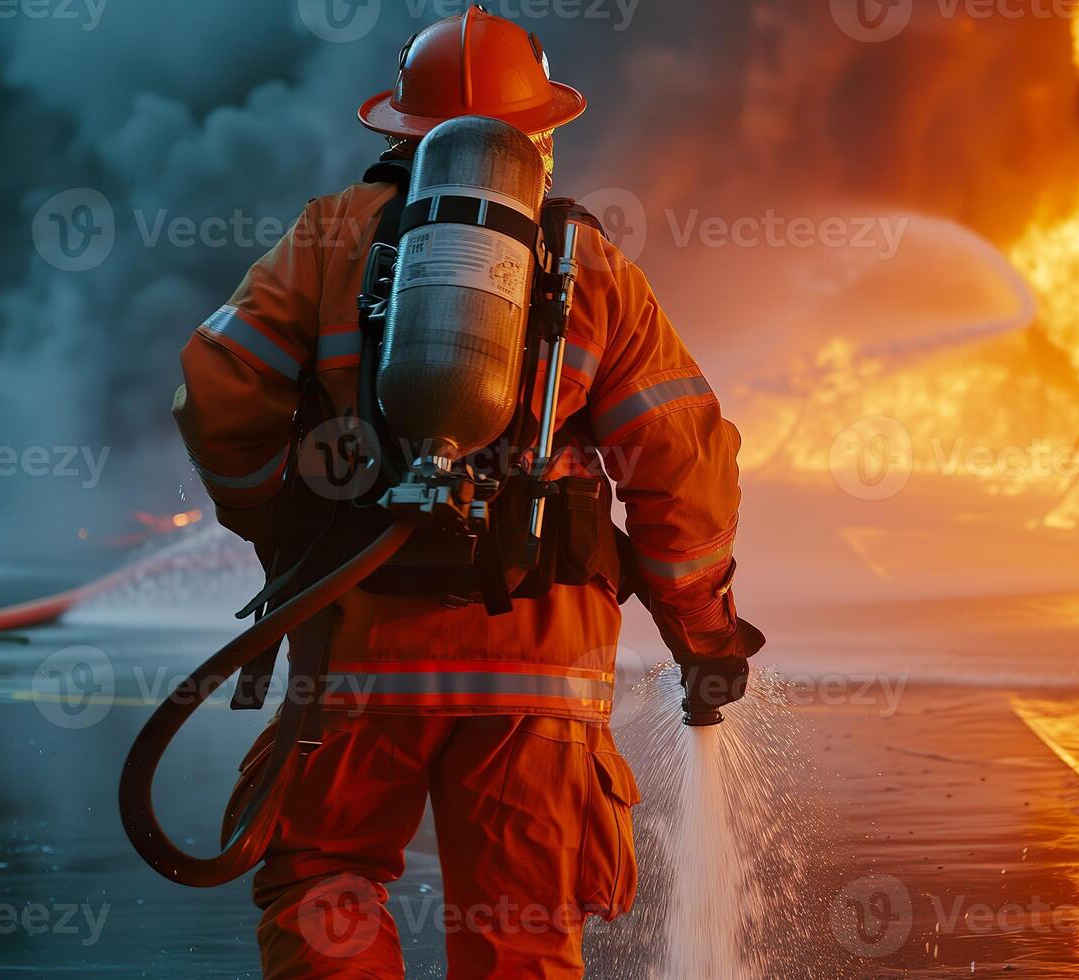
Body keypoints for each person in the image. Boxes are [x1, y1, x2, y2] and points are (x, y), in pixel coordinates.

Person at [170, 9, 761, 977]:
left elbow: (217, 384)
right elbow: (680, 464)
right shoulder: (592, 265)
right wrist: (705, 631)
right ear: (542, 136)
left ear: (399, 132)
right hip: (535, 678)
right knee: (521, 925)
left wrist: (283, 529)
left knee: (327, 882)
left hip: (354, 661)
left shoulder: (328, 236)